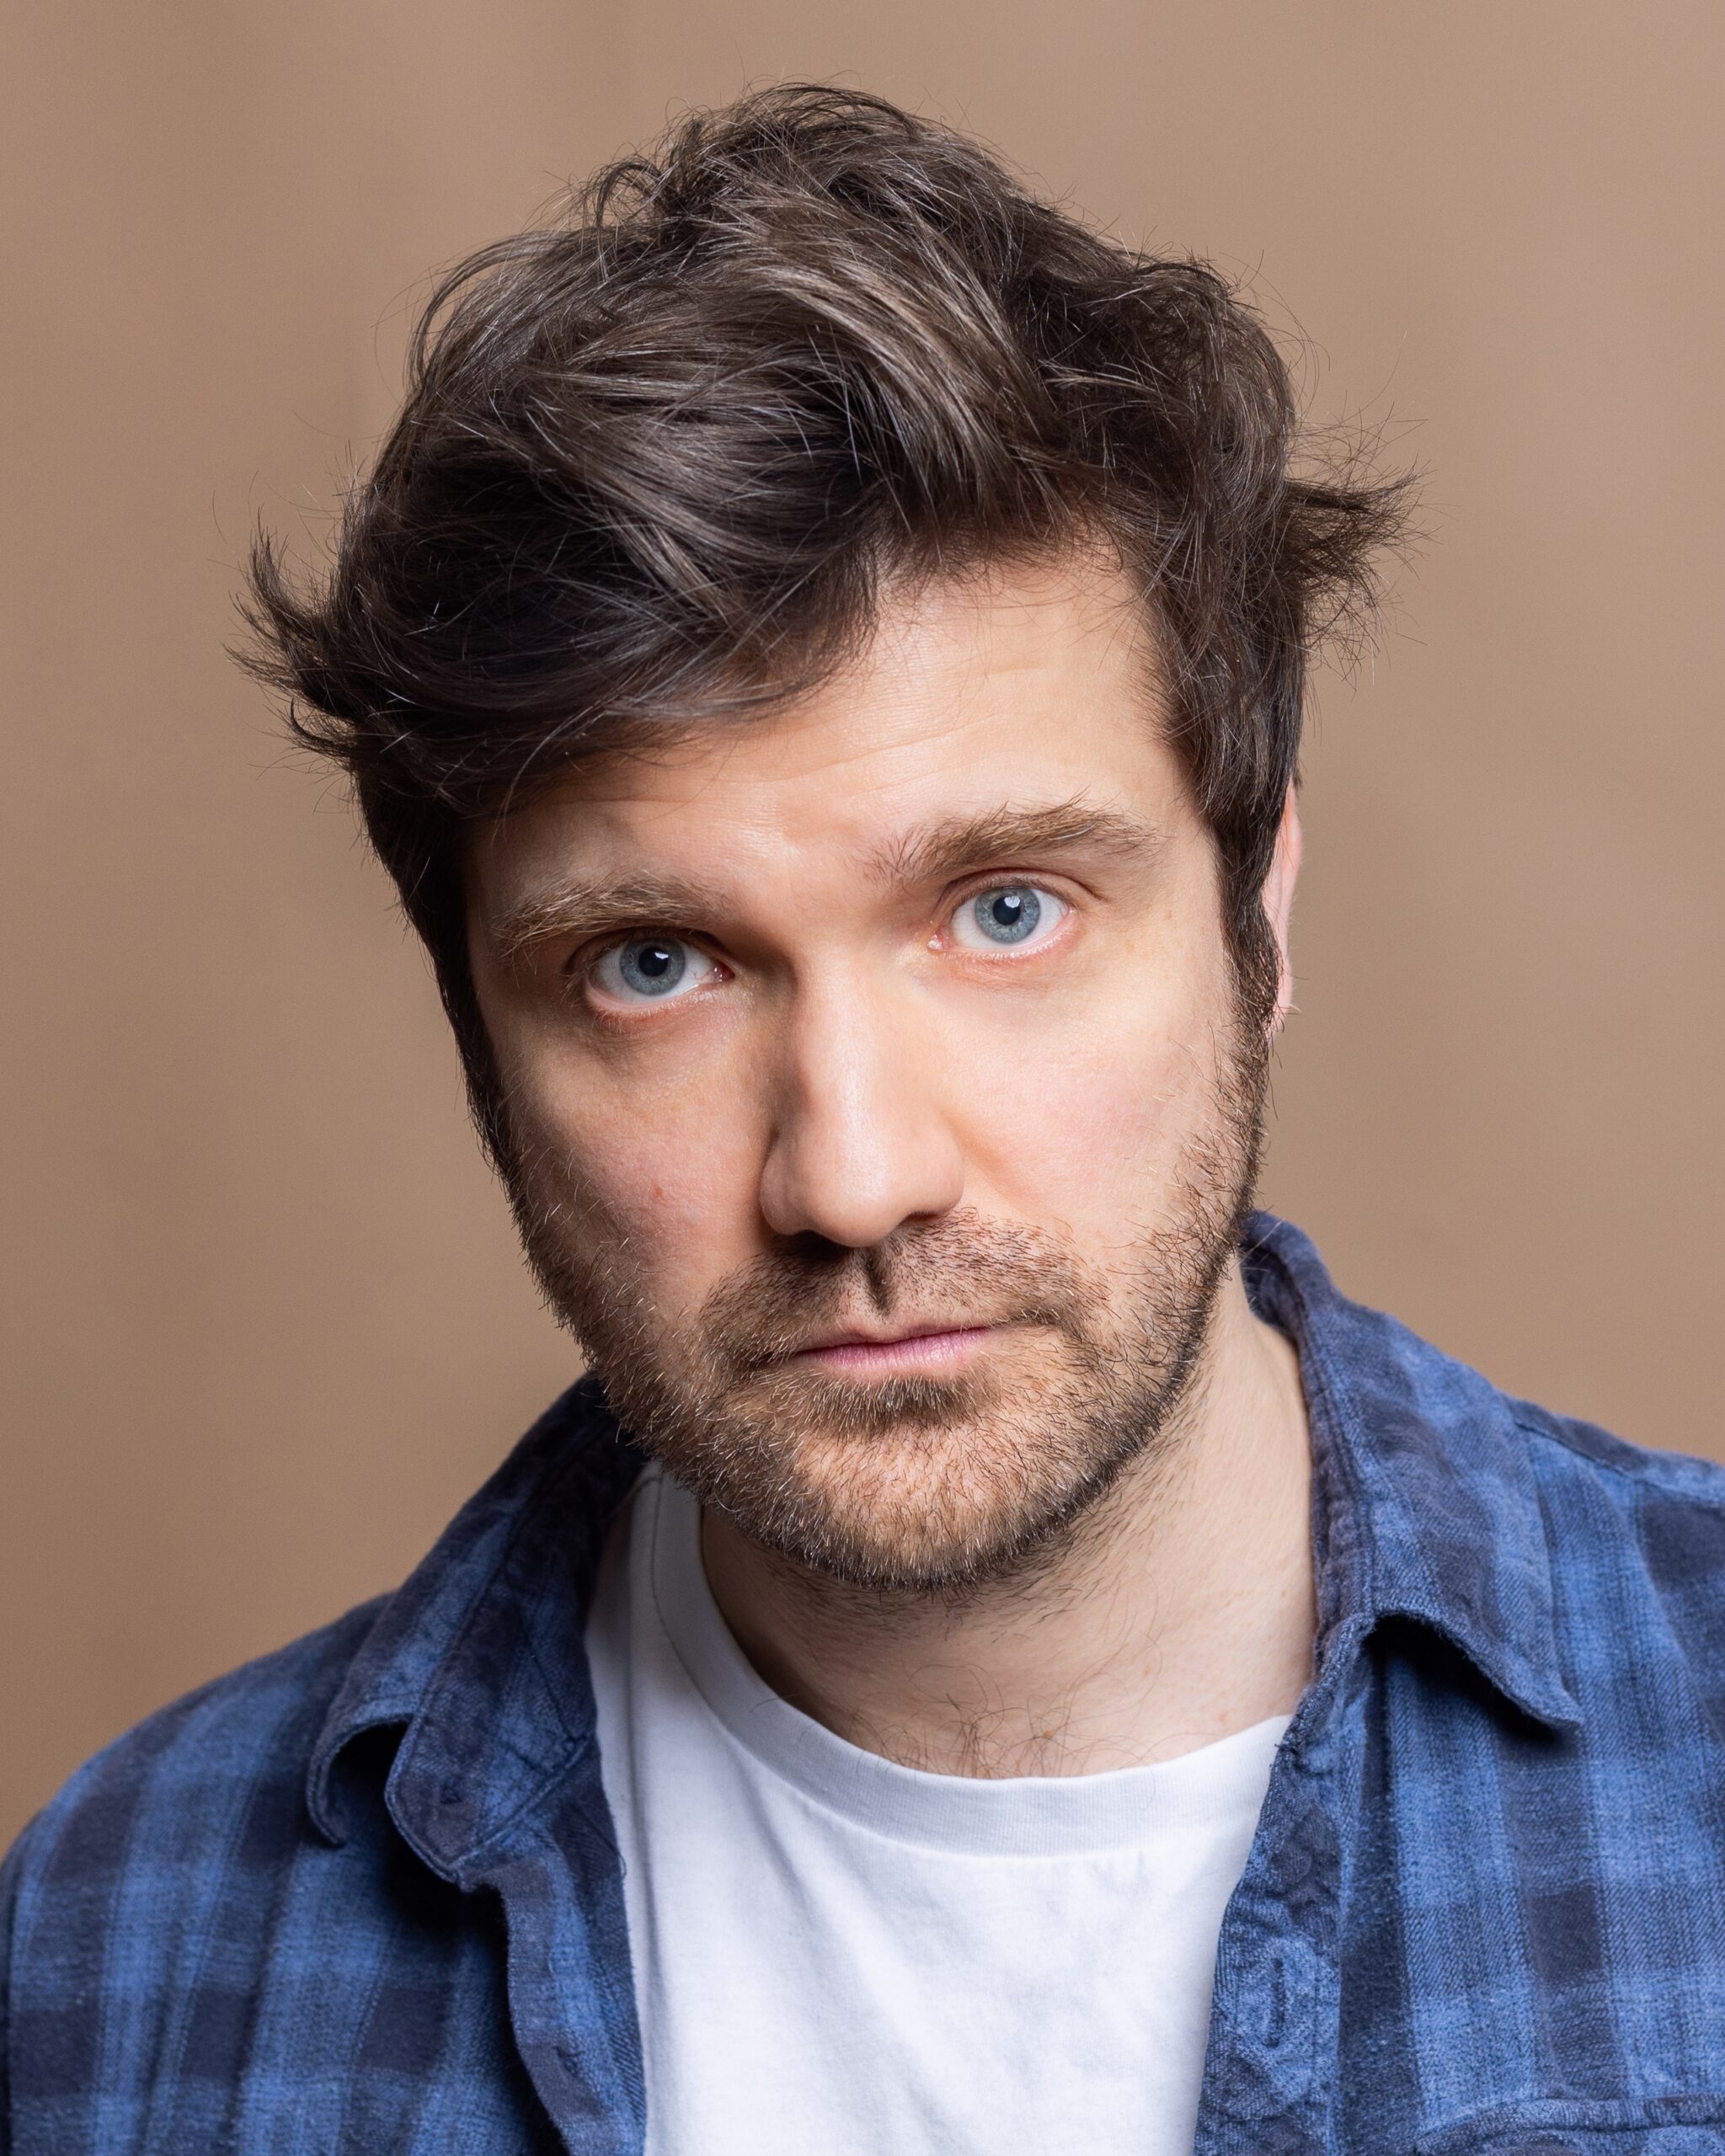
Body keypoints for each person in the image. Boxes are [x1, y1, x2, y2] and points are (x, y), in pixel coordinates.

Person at [5, 83, 1723, 2156]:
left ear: (1255, 911)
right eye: (655, 963)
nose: (851, 1176)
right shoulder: (124, 1948)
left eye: (1006, 911)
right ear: (474, 1023)